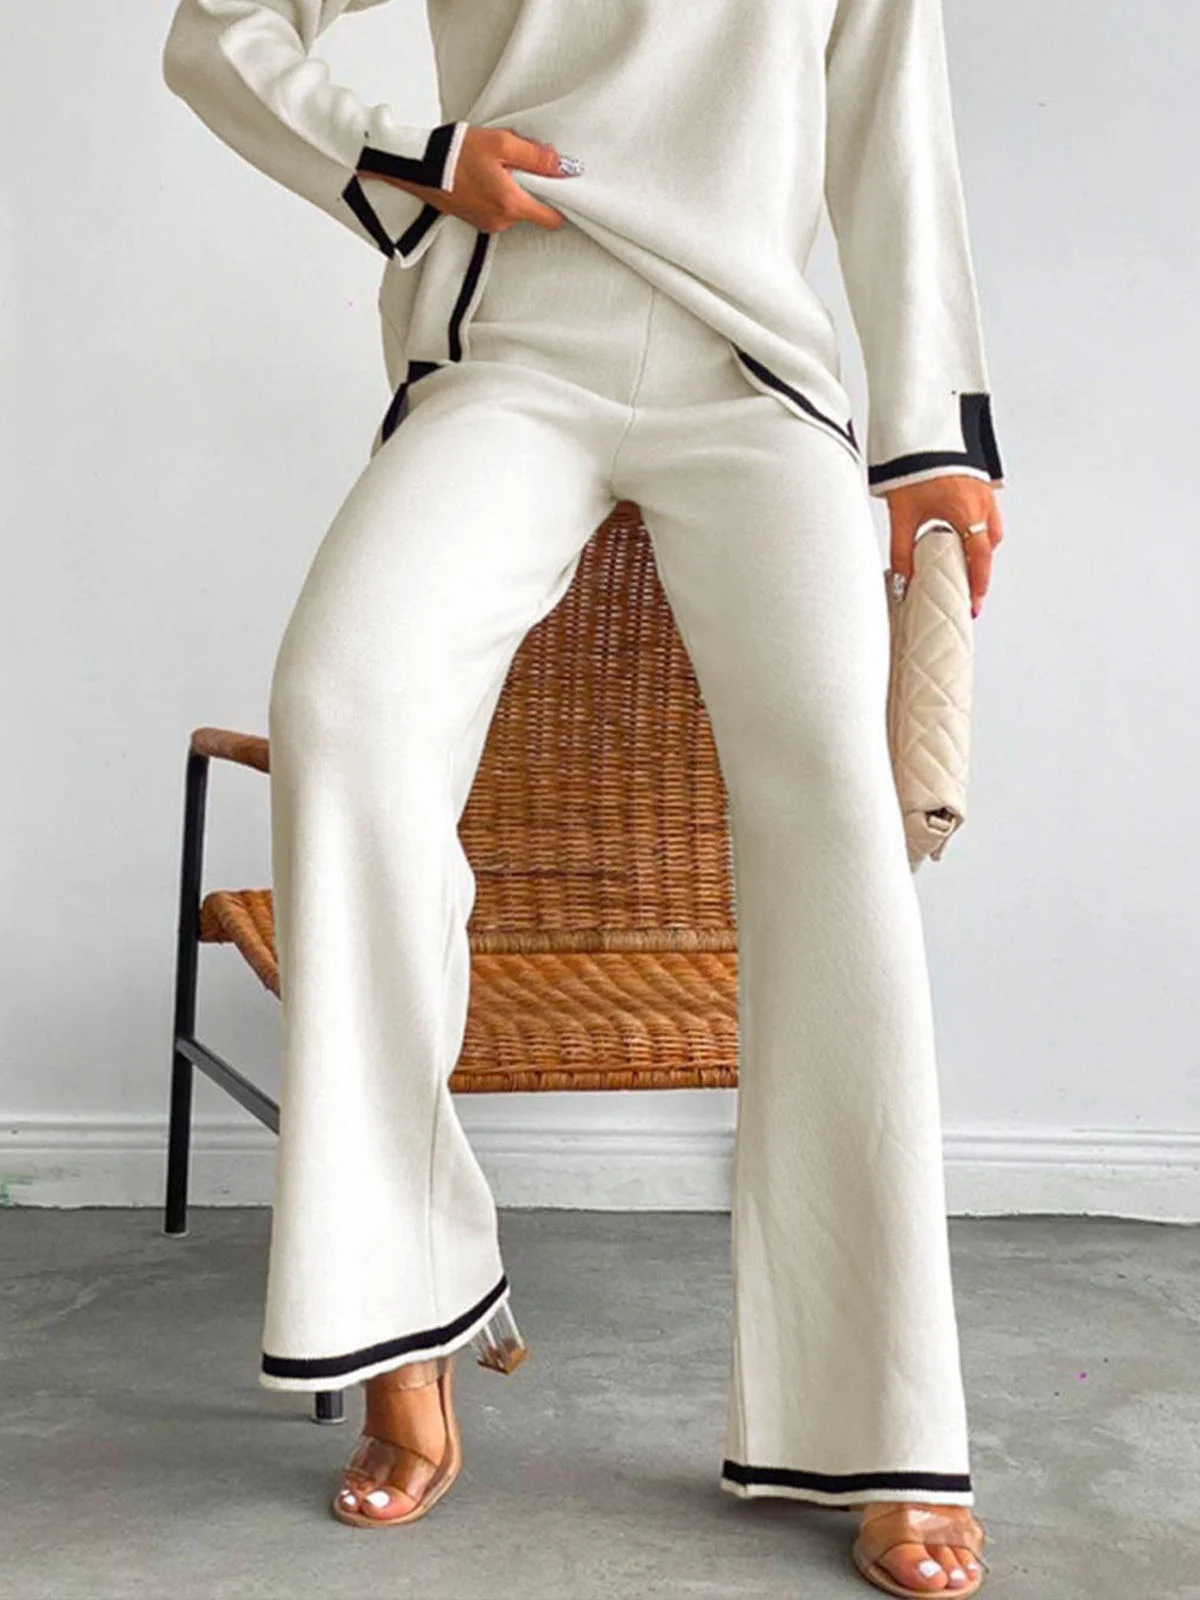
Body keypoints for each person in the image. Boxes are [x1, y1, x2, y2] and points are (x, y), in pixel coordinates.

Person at [161, 0, 1005, 1593]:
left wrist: (932, 439)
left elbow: (894, 127)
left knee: (838, 812)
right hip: (510, 354)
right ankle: (399, 1315)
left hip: (752, 376)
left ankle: (886, 1431)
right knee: (340, 709)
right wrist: (410, 160)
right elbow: (221, 31)